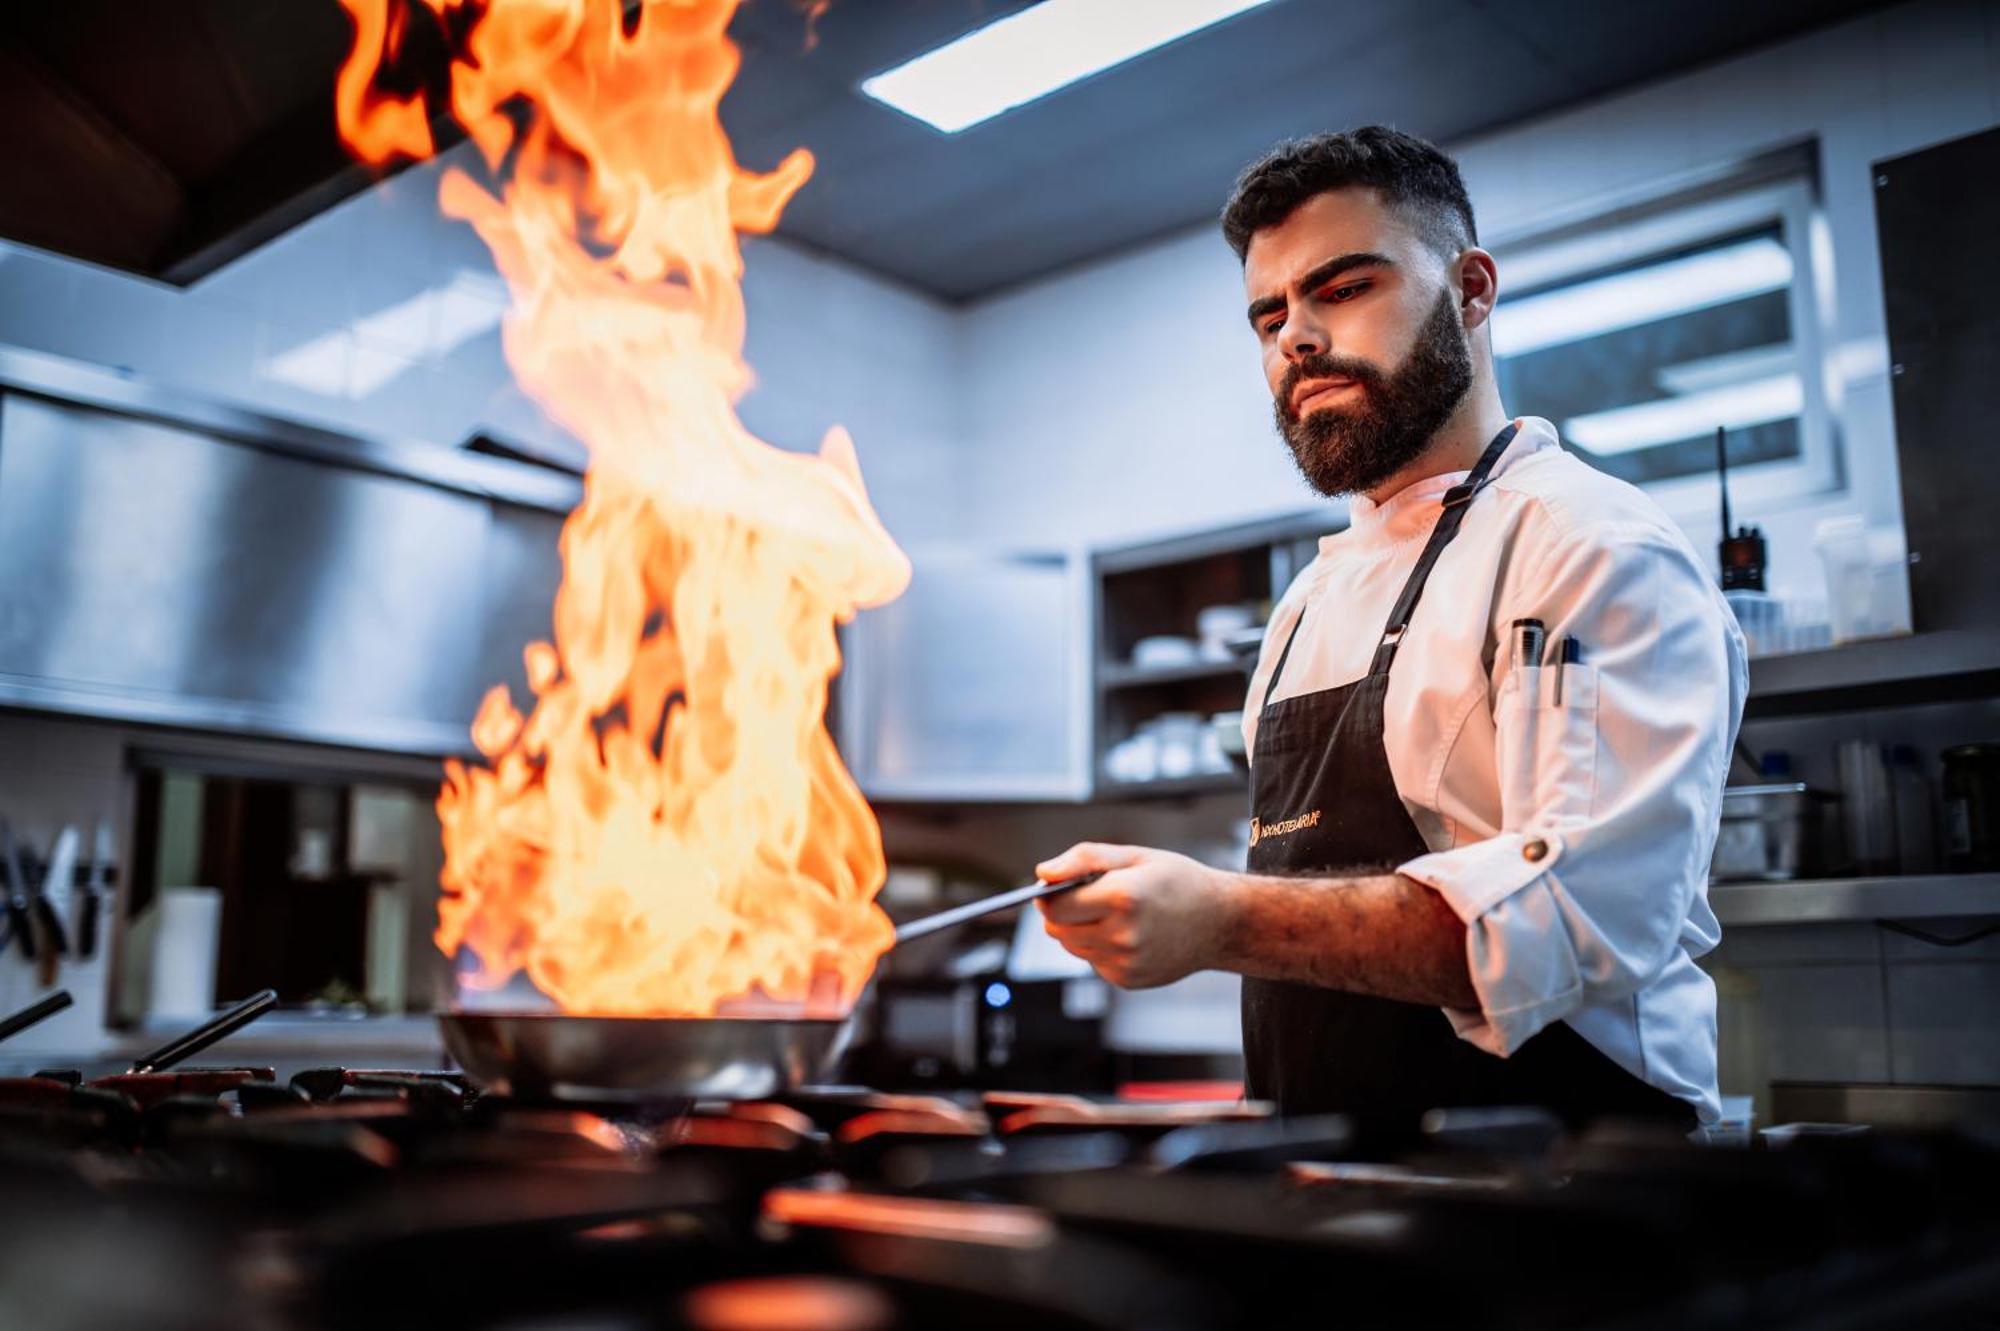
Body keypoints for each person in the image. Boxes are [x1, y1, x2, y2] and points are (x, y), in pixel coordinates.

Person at [1036, 126, 1746, 1133]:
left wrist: (1219, 916)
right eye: (1267, 313)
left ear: (1469, 290)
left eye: (1344, 286)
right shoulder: (1305, 606)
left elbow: (1571, 916)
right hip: (1330, 1177)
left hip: (1568, 1181)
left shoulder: (1585, 544)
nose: (1295, 336)